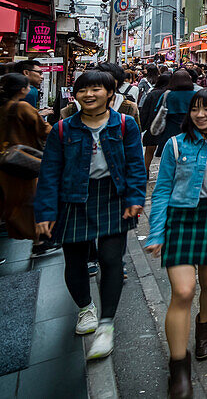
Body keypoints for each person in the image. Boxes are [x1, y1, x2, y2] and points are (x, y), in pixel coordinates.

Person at [34, 69, 145, 360]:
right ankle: (85, 309)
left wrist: (135, 197)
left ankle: (106, 324)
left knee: (111, 260)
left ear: (110, 93)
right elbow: (49, 171)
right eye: (83, 89)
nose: (89, 95)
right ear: (76, 94)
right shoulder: (63, 128)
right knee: (75, 260)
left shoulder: (125, 124)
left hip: (112, 196)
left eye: (96, 89)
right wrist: (44, 211)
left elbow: (135, 164)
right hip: (72, 198)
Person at [145, 89, 207, 398]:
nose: (200, 115)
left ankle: (204, 327)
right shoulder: (175, 144)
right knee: (184, 291)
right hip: (180, 218)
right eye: (195, 109)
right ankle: (179, 369)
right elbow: (161, 191)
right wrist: (156, 232)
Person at [0, 73, 50, 246]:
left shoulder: (4, 106)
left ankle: (37, 238)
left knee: (13, 200)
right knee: (29, 198)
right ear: (22, 89)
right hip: (23, 159)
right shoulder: (22, 107)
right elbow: (43, 130)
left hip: (5, 161)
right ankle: (39, 239)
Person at [139, 73, 171, 172]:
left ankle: (145, 171)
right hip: (167, 126)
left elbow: (145, 111)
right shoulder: (172, 94)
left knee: (149, 152)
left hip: (153, 126)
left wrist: (142, 126)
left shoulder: (153, 93)